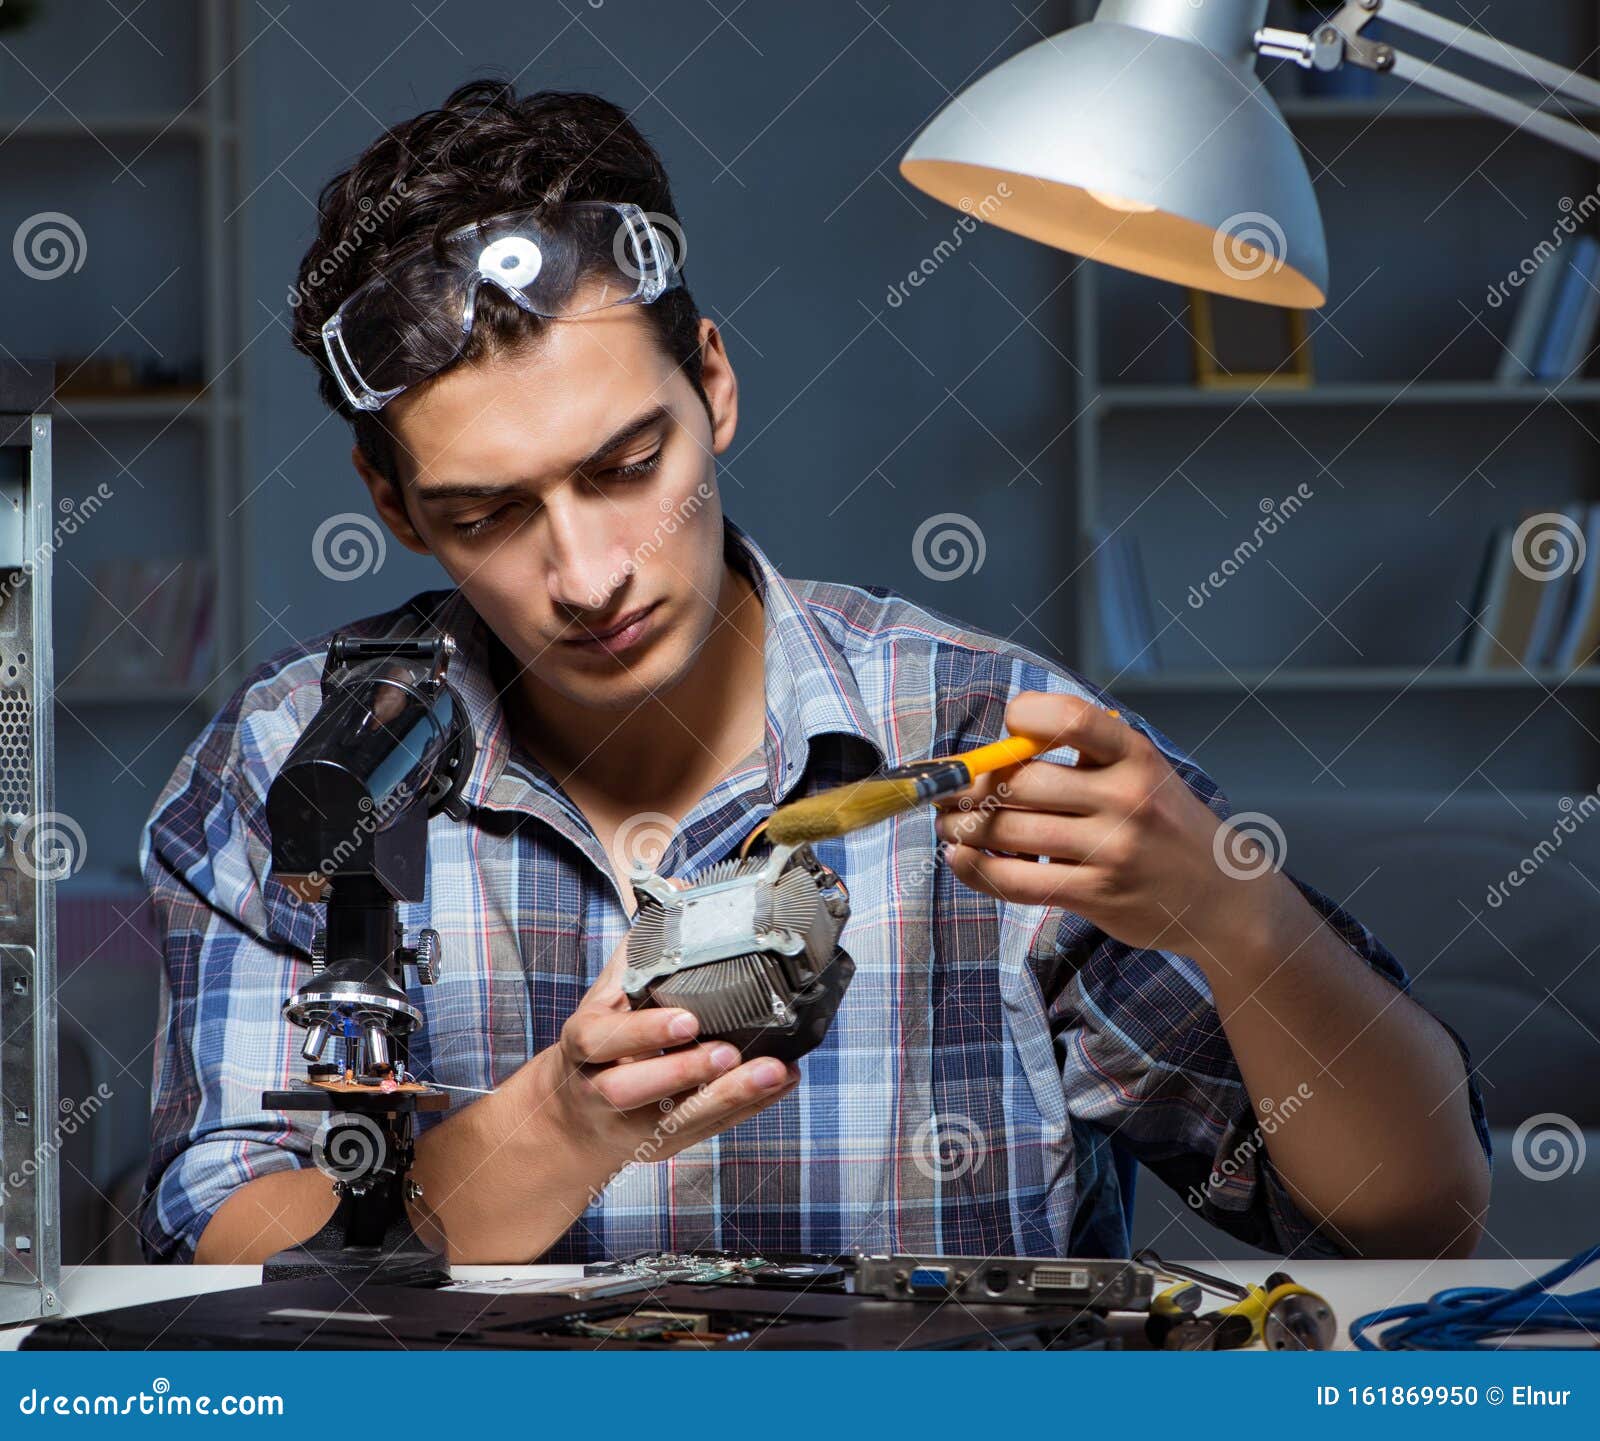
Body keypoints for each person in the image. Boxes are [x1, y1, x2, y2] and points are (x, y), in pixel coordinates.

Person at [139, 80, 1490, 1267]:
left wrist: (1236, 917)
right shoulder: (301, 765)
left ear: (714, 386)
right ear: (393, 505)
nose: (589, 574)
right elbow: (220, 1240)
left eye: (628, 467)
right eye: (488, 513)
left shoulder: (987, 732)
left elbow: (1414, 1225)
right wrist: (554, 1127)